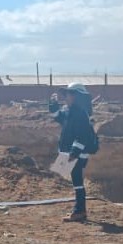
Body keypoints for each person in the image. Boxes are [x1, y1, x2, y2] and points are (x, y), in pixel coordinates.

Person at [48, 82, 97, 222]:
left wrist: (74, 153)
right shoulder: (70, 111)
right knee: (76, 181)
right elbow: (57, 116)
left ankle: (79, 211)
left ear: (76, 96)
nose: (66, 96)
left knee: (78, 182)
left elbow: (82, 135)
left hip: (77, 153)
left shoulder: (81, 114)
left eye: (69, 94)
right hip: (70, 152)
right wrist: (53, 105)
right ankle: (79, 210)